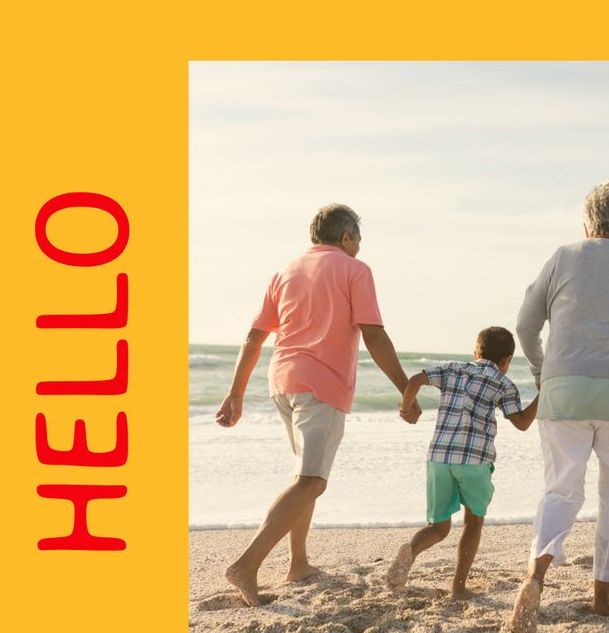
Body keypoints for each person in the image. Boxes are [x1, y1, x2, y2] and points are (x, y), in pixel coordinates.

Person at [215, 204, 419, 606]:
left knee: (304, 476)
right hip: (321, 385)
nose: (359, 245)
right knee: (312, 481)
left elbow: (254, 338)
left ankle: (299, 564)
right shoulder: (354, 270)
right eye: (358, 238)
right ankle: (247, 564)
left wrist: (235, 392)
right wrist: (406, 388)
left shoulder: (285, 271)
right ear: (346, 237)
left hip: (282, 382)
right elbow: (375, 336)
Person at [507, 179, 609, 633]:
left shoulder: (563, 257)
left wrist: (543, 370)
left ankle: (535, 578)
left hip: (565, 393)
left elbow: (525, 325)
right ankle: (601, 597)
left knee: (561, 490)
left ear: (587, 221)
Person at [387, 327, 539, 599]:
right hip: (474, 461)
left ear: (475, 352)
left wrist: (406, 409)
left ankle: (410, 552)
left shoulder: (452, 369)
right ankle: (458, 587)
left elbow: (413, 381)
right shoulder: (504, 384)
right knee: (473, 522)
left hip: (439, 458)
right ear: (506, 361)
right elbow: (522, 423)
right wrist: (544, 393)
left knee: (439, 527)